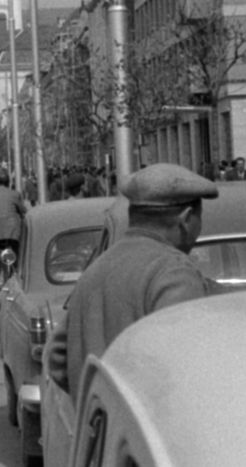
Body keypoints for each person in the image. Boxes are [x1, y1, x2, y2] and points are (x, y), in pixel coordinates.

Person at [48, 164, 218, 398]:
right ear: (186, 219)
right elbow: (187, 370)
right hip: (150, 430)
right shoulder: (174, 273)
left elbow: (57, 358)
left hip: (100, 429)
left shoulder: (96, 268)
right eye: (199, 217)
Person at [0, 172, 27, 296]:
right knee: (17, 254)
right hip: (11, 233)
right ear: (9, 183)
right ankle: (15, 273)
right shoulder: (15, 194)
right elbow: (24, 212)